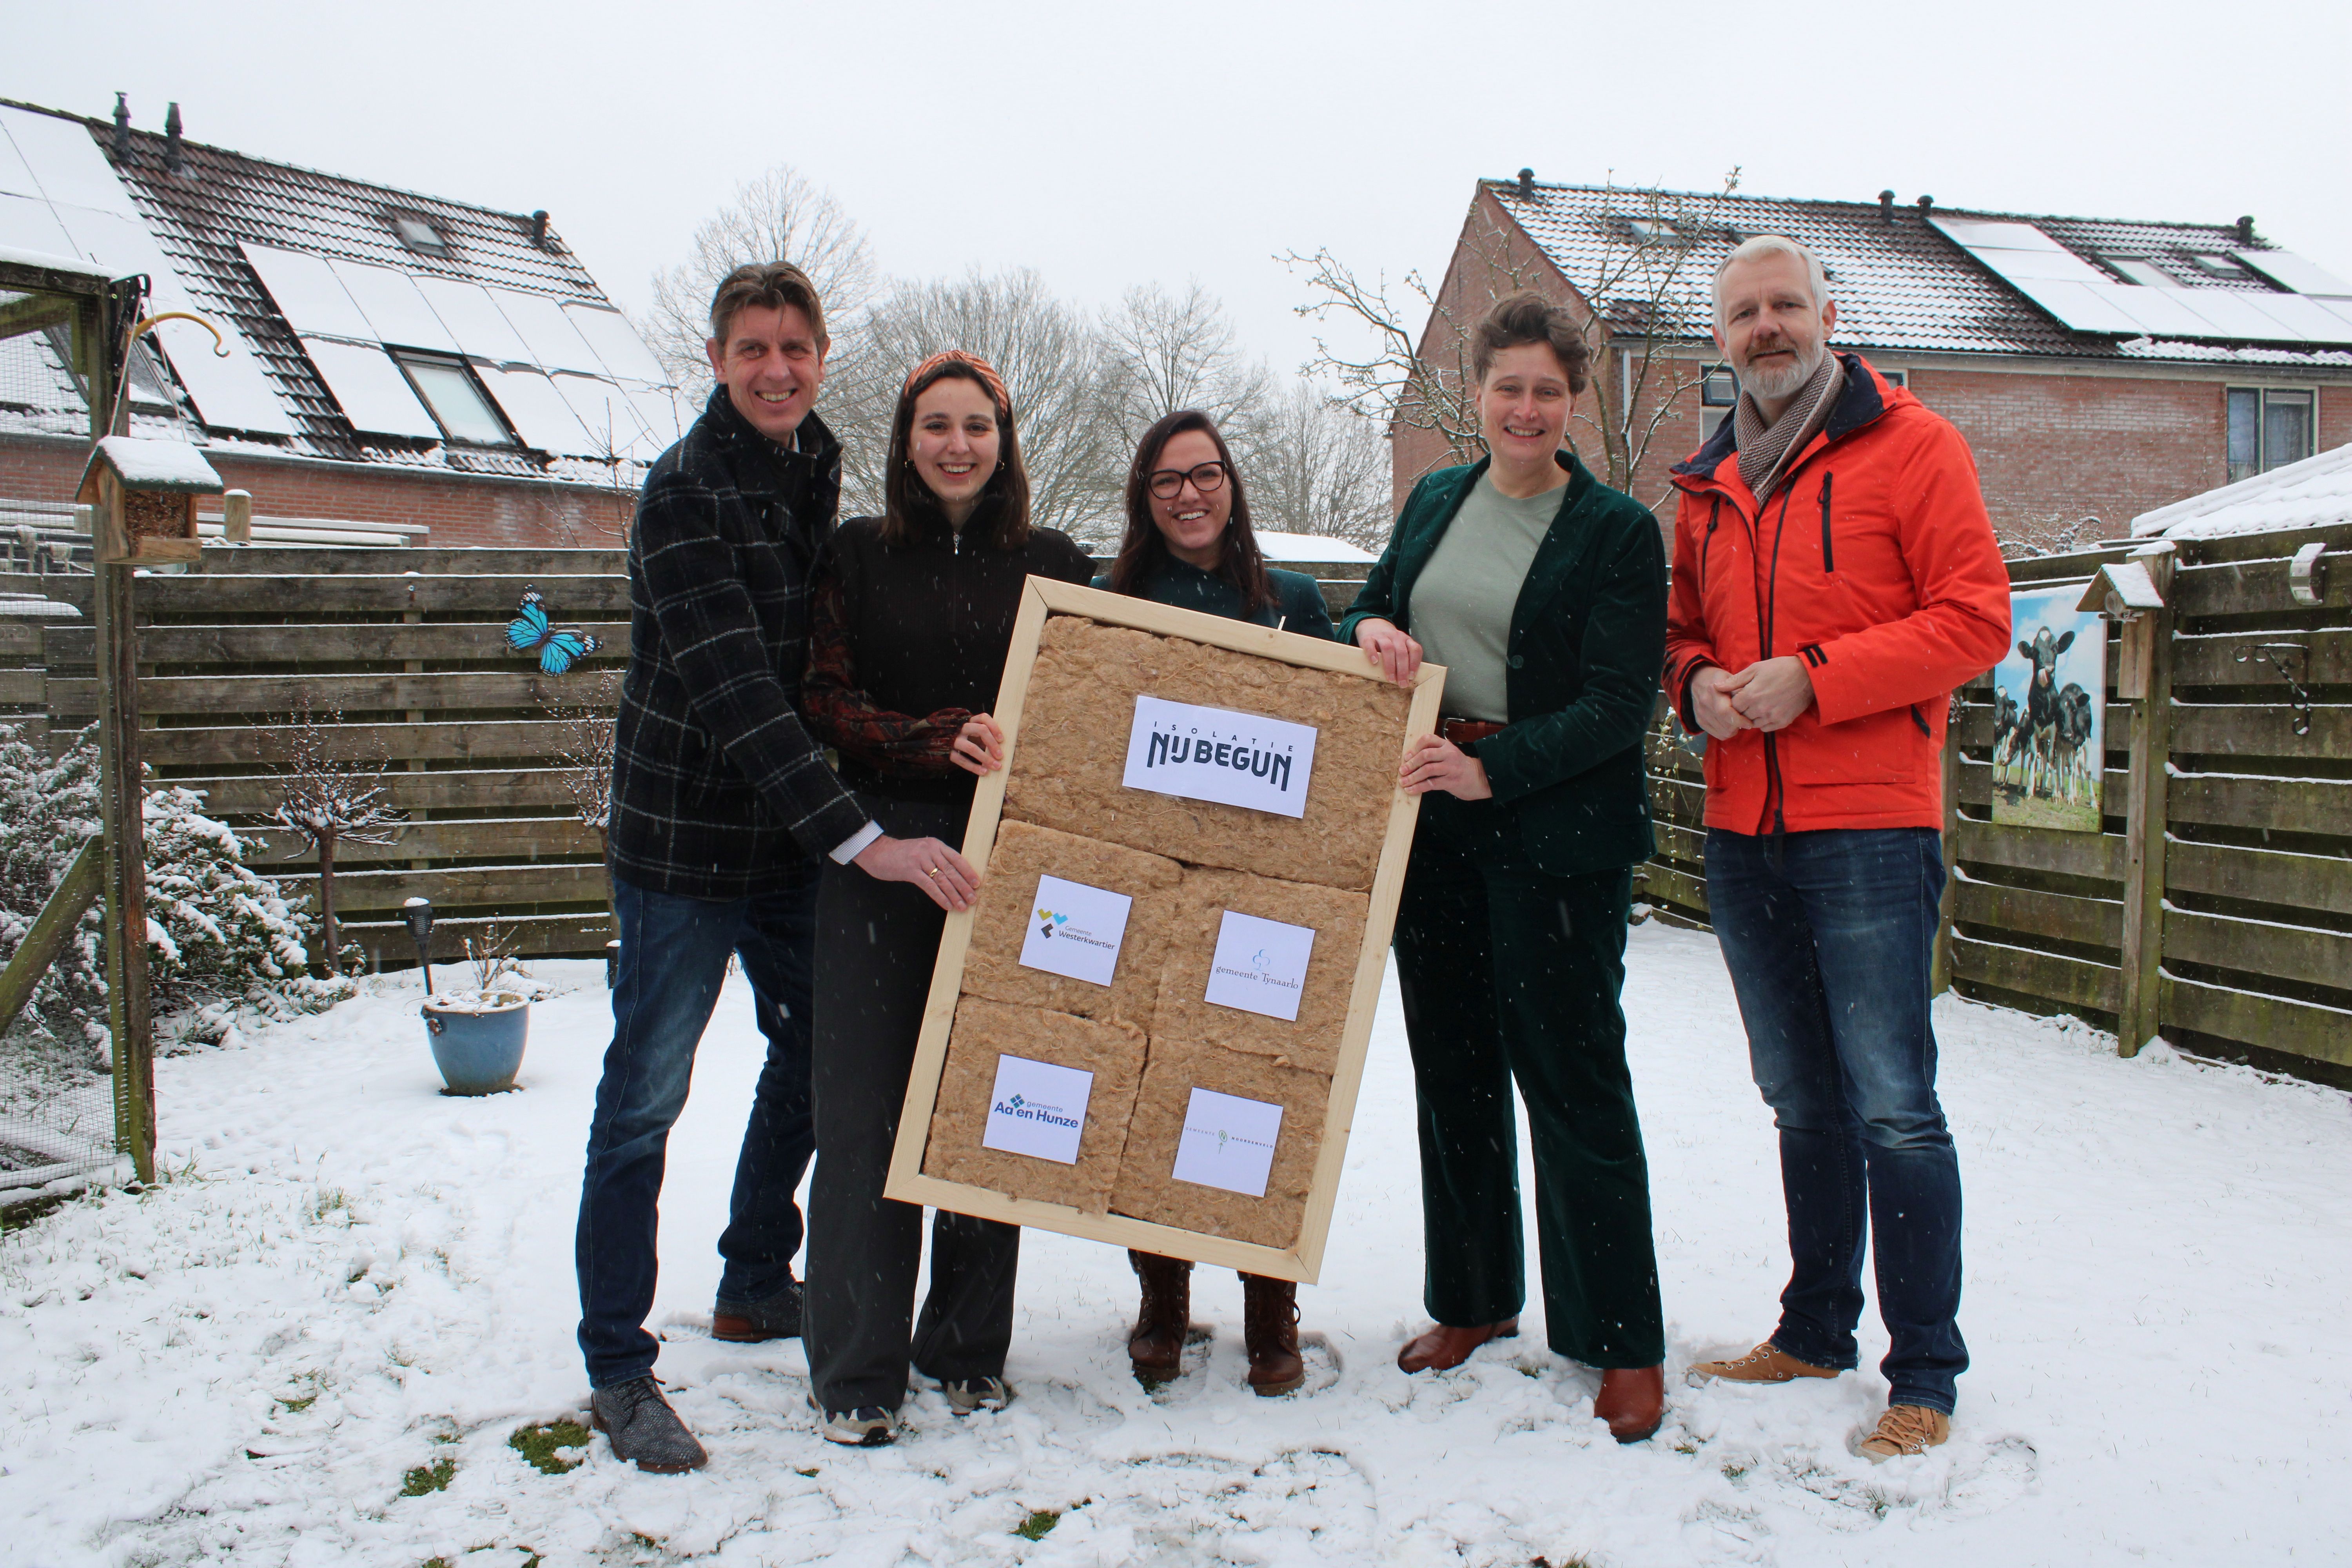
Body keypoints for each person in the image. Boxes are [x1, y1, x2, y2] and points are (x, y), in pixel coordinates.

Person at [577, 263, 980, 1474]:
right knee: (645, 1093)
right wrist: (867, 836)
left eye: (796, 349)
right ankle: (617, 1363)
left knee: (819, 1054)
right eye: (753, 349)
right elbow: (742, 694)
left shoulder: (815, 466)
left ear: (818, 357)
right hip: (682, 848)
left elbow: (822, 666)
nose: (776, 370)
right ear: (717, 360)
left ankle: (755, 1274)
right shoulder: (685, 494)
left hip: (782, 845)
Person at [1666, 235, 2009, 1461]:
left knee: (1895, 1106)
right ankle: (1815, 1328)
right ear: (1722, 338)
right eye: (1744, 313)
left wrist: (1816, 682)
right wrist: (1695, 682)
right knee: (1799, 1098)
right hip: (1741, 830)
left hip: (1869, 823)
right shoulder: (1705, 483)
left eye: (1785, 306)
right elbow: (1682, 632)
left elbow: (1976, 619)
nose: (1767, 327)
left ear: (1826, 314)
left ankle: (1924, 1367)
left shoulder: (1913, 446)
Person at [1340, 290, 1670, 1443]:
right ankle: (1474, 1300)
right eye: (1506, 387)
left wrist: (1501, 769)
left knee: (1574, 1082)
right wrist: (1369, 631)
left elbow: (1622, 704)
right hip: (1433, 829)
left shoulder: (1618, 531)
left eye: (1546, 390)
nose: (1525, 407)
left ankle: (1619, 1339)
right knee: (1457, 1073)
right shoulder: (1437, 497)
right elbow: (1382, 605)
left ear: (1572, 402)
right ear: (1475, 395)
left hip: (1557, 840)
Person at [800, 350, 1095, 1447]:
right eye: (937, 425)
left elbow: (1107, 696)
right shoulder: (858, 557)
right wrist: (931, 737)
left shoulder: (1055, 561)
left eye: (978, 425)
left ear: (1005, 441)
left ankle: (966, 1350)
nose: (958, 444)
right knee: (867, 1117)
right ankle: (858, 1372)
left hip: (1015, 865)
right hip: (880, 854)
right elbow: (821, 700)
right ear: (906, 440)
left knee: (989, 1108)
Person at [1097, 408, 1332, 1397]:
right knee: (1152, 1080)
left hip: (1268, 898)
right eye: (1167, 481)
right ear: (1145, 500)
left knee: (1259, 1083)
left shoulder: (1294, 603)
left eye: (1206, 475)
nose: (1189, 495)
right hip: (1152, 886)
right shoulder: (1114, 602)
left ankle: (1269, 1300)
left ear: (1232, 485)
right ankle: (1163, 1291)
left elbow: (1341, 746)